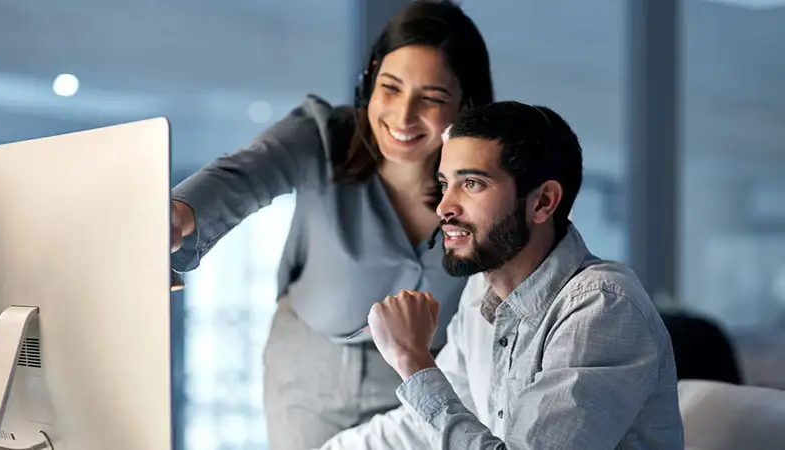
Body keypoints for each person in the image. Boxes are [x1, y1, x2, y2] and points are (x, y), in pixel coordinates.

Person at [168, 2, 494, 449]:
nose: (402, 117)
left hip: (423, 374)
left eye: (432, 98)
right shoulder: (322, 136)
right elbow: (244, 174)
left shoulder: (484, 186)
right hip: (312, 374)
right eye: (391, 88)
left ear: (467, 104)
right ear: (369, 82)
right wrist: (182, 212)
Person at [317, 101, 685, 449]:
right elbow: (417, 427)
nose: (444, 206)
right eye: (445, 184)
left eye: (472, 183)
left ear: (542, 203)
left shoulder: (601, 307)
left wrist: (413, 361)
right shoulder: (482, 293)